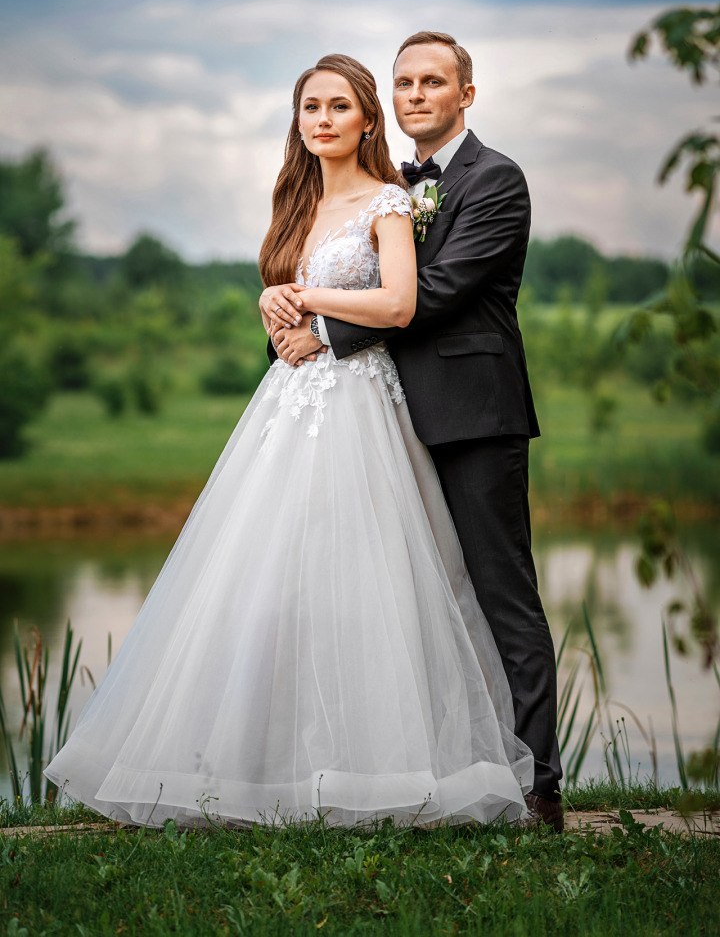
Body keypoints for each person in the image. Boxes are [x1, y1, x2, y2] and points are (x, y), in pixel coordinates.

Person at [44, 53, 533, 829]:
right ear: (298, 122)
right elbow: (300, 307)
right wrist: (276, 311)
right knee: (269, 578)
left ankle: (432, 773)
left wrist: (306, 303)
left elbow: (403, 301)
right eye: (311, 107)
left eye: (340, 106)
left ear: (366, 119)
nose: (324, 119)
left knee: (386, 582)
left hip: (369, 405)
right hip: (290, 402)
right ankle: (269, 769)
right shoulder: (298, 208)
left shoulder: (394, 200)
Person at [269, 34, 564, 832]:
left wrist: (324, 333)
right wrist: (292, 314)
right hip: (385, 418)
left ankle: (539, 787)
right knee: (397, 597)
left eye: (433, 82)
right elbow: (351, 274)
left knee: (501, 596)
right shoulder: (391, 188)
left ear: (466, 93)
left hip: (471, 414)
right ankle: (418, 764)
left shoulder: (495, 179)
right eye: (403, 83)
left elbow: (431, 292)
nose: (415, 95)